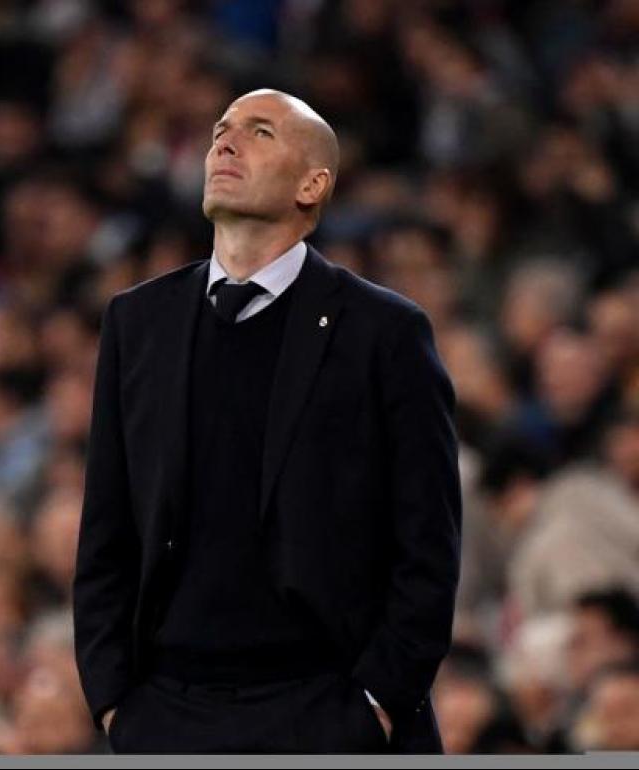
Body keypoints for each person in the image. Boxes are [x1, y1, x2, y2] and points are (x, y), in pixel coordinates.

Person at [72, 89, 462, 753]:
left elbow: (428, 544)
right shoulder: (138, 322)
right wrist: (114, 702)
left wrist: (375, 705)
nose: (224, 143)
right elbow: (106, 529)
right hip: (167, 712)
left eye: (259, 132)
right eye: (220, 131)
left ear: (314, 185)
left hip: (324, 706)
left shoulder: (385, 332)